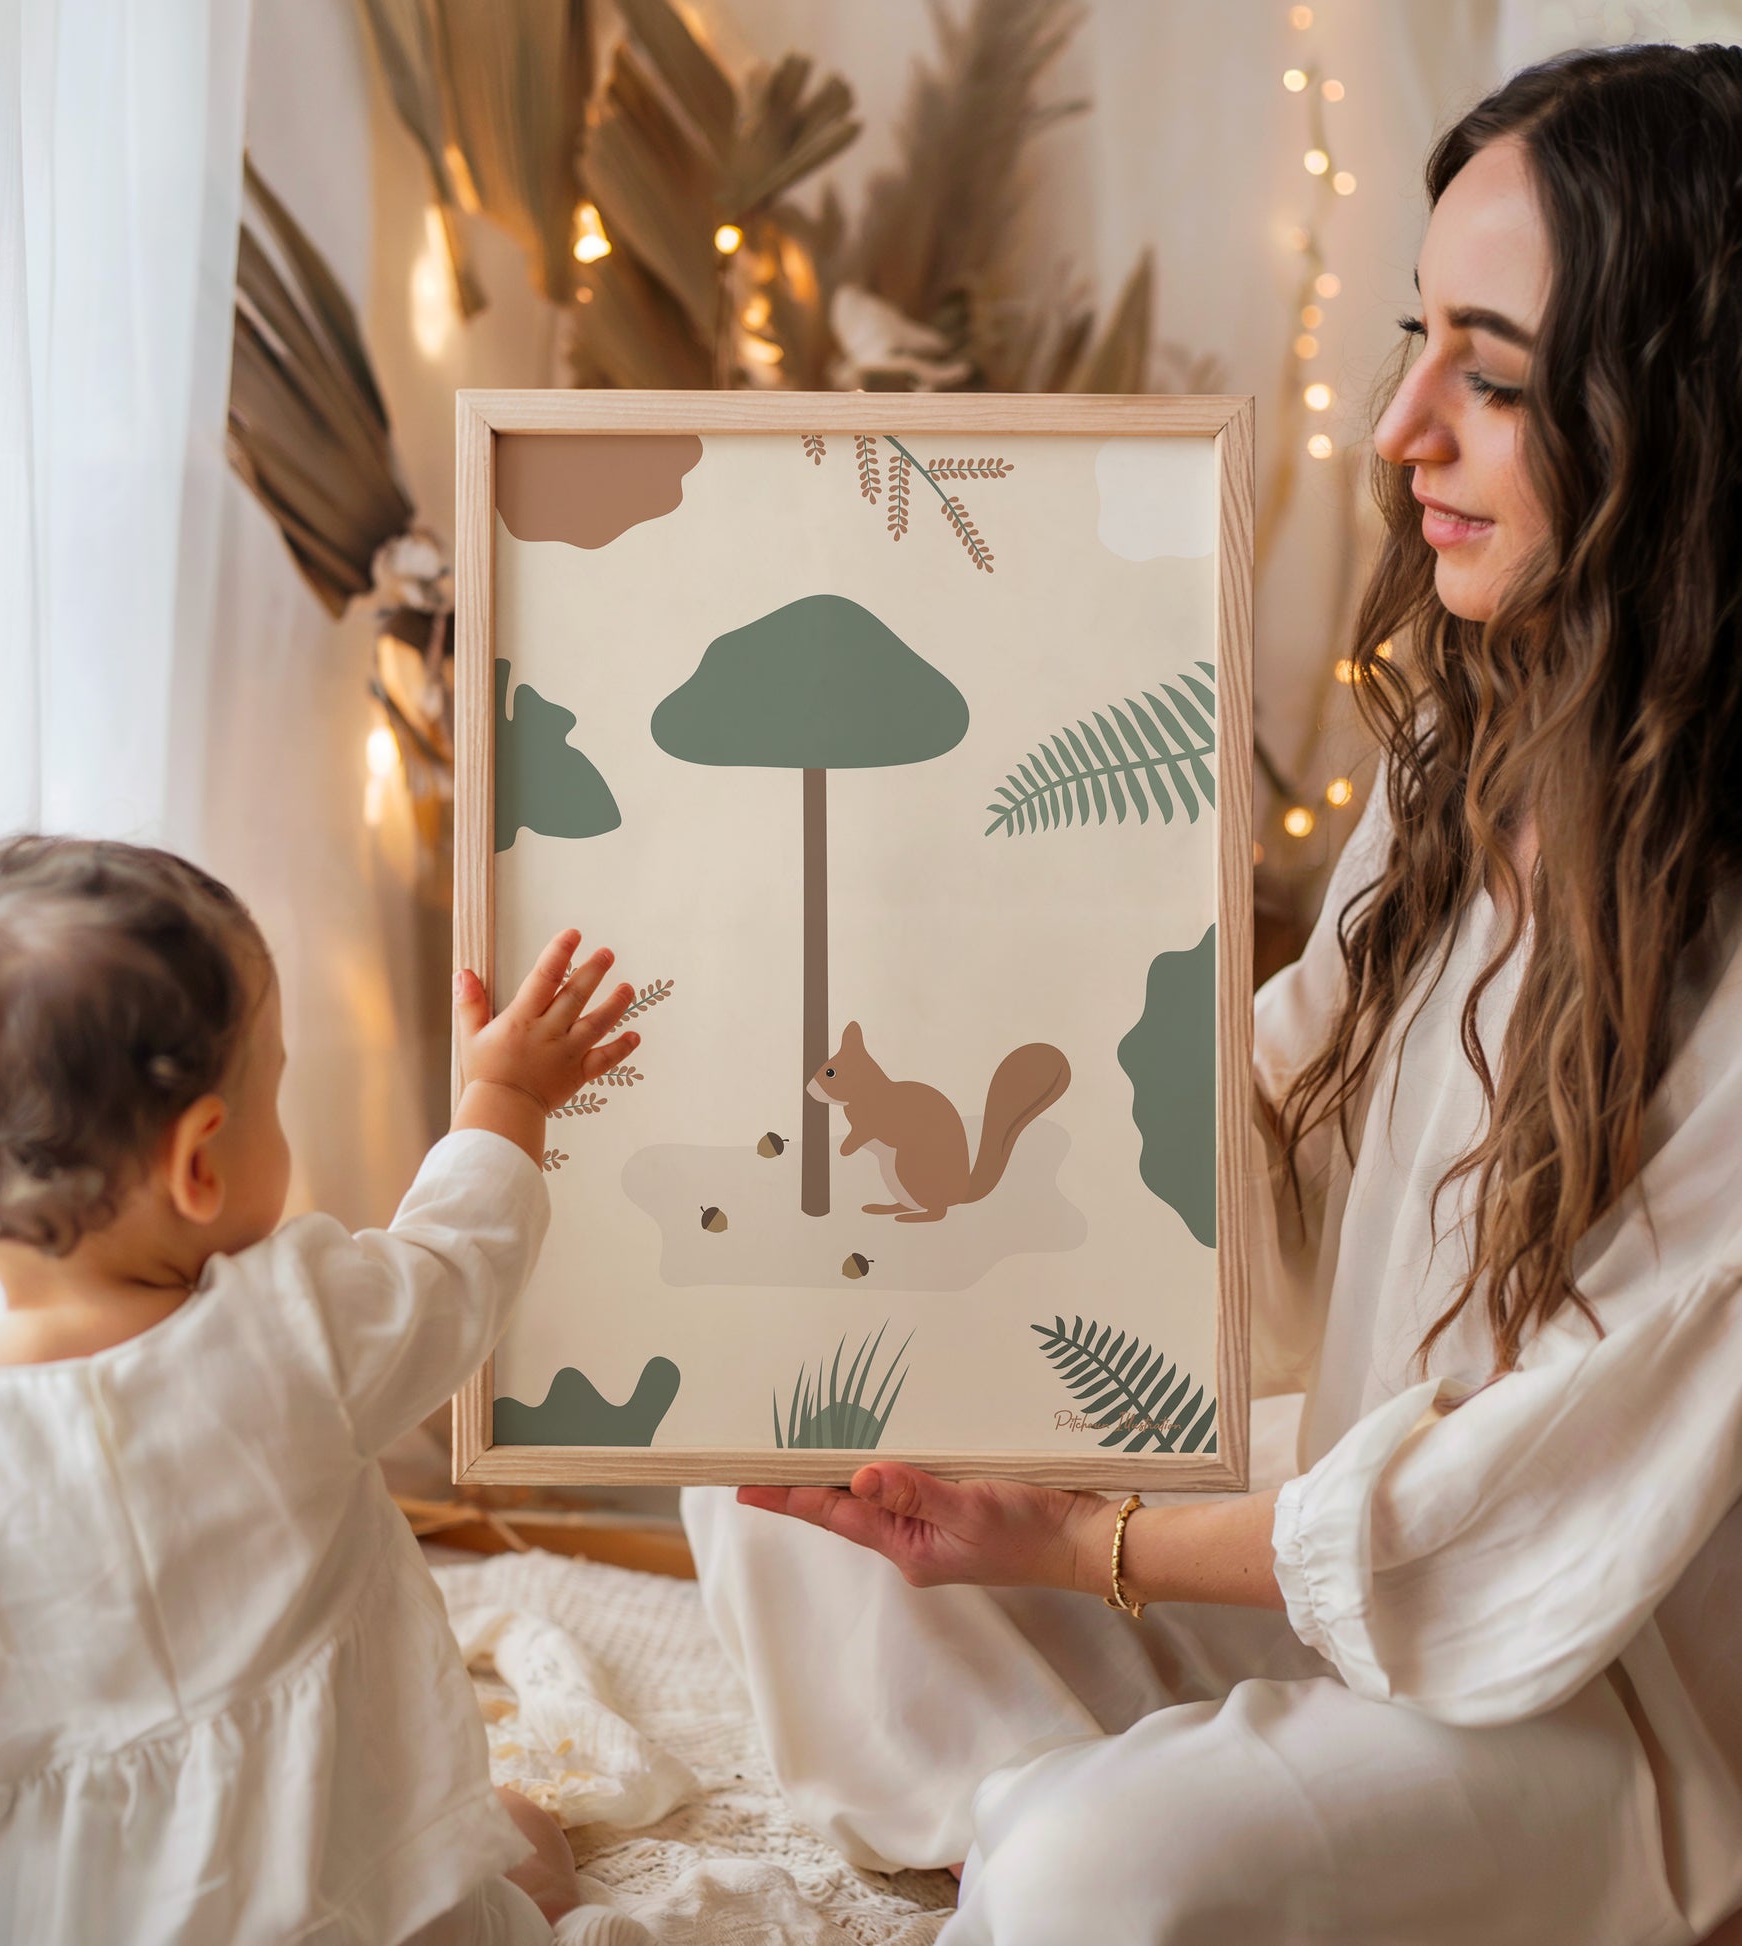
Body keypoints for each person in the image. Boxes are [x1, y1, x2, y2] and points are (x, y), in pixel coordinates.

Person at [684, 43, 1742, 1946]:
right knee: (783, 1456)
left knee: (1108, 1874)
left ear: (1682, 424)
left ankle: (1089, 1847)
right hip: (1349, 1520)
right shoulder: (1470, 756)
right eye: (1419, 338)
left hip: (1592, 1688)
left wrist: (1083, 1542)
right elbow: (1255, 1125)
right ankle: (1064, 1829)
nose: (1398, 423)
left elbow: (1513, 1515)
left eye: (1491, 377)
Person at [0, 838, 651, 1946]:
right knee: (516, 1838)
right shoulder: (301, 1326)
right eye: (277, 1084)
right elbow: (461, 1257)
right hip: (324, 1899)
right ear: (202, 1161)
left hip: (23, 1917)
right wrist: (507, 1090)